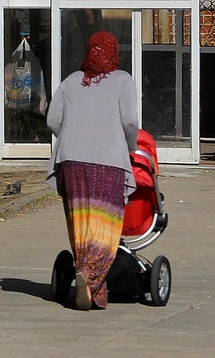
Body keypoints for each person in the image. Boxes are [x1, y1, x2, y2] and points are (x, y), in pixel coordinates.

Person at [46, 31, 140, 310]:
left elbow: (52, 119)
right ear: (114, 53)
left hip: (71, 162)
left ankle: (87, 278)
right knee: (104, 223)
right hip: (108, 161)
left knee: (81, 222)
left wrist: (74, 134)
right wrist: (131, 147)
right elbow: (130, 121)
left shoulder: (71, 81)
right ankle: (91, 276)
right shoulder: (122, 80)